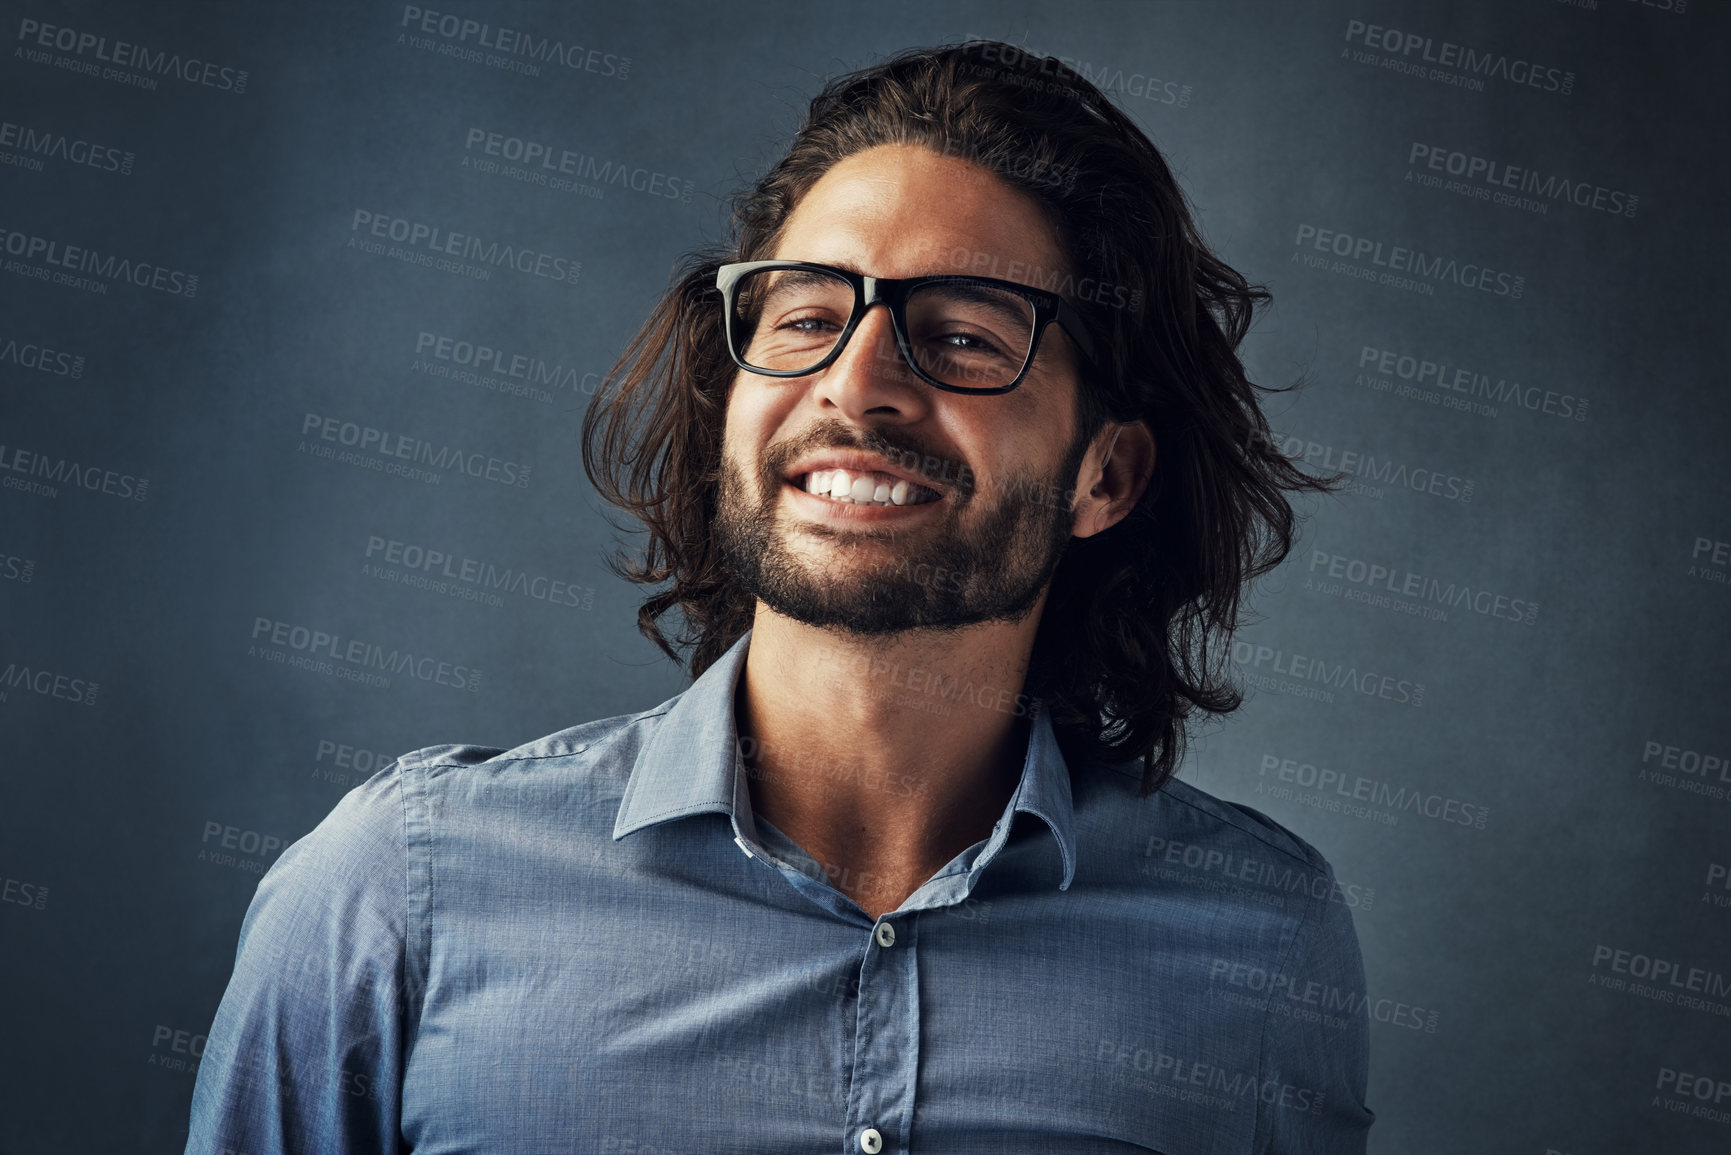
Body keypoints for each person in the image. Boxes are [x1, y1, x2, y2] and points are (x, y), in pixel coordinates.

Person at [186, 41, 1373, 1154]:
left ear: (1105, 476)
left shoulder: (1264, 942)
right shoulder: (397, 892)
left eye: (961, 337)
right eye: (805, 316)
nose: (856, 386)